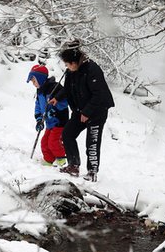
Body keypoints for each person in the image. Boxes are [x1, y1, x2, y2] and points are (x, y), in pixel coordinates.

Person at [49, 40, 115, 181]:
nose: (66, 67)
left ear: (74, 62)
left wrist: (87, 112)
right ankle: (73, 165)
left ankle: (92, 172)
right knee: (67, 133)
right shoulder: (71, 72)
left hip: (97, 111)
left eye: (67, 64)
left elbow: (99, 94)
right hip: (80, 110)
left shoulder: (92, 69)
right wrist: (57, 98)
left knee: (92, 142)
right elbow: (68, 89)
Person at [27, 63, 69, 166]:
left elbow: (64, 101)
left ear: (40, 78)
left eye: (34, 80)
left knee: (53, 142)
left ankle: (62, 159)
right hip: (49, 122)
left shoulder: (54, 88)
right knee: (44, 142)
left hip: (59, 121)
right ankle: (48, 160)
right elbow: (38, 105)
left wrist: (53, 111)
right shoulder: (40, 91)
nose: (33, 83)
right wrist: (39, 119)